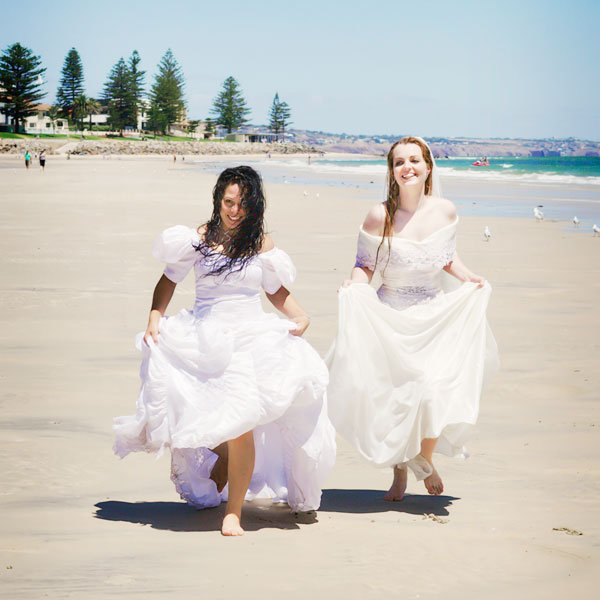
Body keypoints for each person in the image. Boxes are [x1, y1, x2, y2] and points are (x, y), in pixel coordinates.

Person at [113, 166, 336, 536]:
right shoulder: (199, 239)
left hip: (249, 338)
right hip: (202, 337)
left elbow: (275, 290)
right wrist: (155, 316)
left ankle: (233, 512)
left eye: (242, 204)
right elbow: (168, 280)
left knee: (242, 420)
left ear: (254, 206)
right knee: (206, 417)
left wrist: (299, 315)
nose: (234, 211)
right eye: (228, 202)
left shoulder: (260, 244)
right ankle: (227, 459)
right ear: (218, 201)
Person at [327, 137, 498, 501]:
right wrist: (354, 287)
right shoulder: (379, 215)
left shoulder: (445, 211)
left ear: (428, 167)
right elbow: (365, 266)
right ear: (392, 171)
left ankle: (425, 456)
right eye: (399, 162)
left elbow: (446, 257)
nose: (408, 167)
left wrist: (470, 278)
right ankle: (400, 474)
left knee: (435, 388)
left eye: (415, 161)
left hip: (435, 314)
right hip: (390, 315)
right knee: (397, 396)